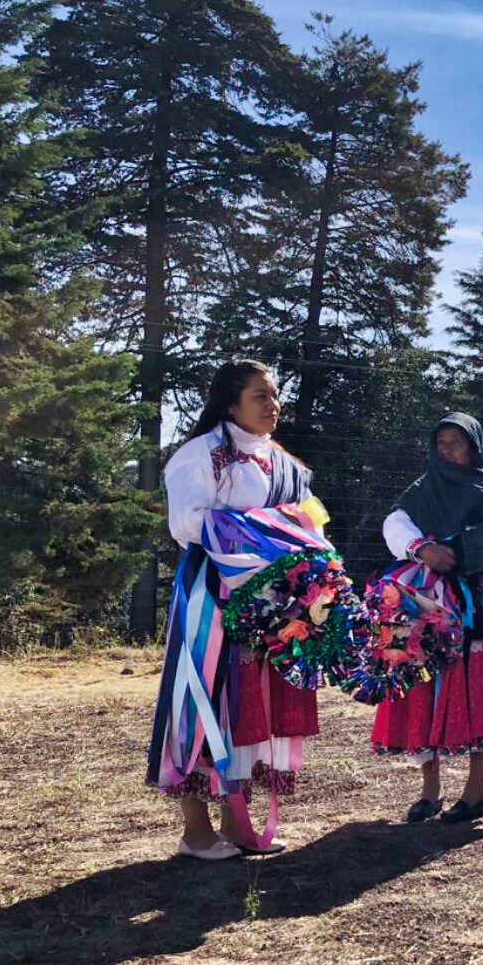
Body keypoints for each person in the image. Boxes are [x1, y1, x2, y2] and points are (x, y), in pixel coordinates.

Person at [145, 360, 317, 859]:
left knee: (247, 703)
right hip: (213, 595)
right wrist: (264, 533)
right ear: (229, 402)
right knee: (205, 699)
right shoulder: (200, 455)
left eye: (275, 395)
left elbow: (308, 520)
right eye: (260, 395)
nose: (273, 405)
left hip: (270, 601)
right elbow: (187, 522)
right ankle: (196, 832)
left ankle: (237, 825)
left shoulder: (284, 463)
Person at [371, 414, 483, 824]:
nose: (447, 450)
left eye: (455, 442)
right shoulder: (422, 490)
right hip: (423, 608)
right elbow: (395, 523)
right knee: (422, 690)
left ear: (474, 447)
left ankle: (476, 790)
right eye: (441, 442)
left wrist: (453, 551)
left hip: (479, 608)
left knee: (474, 693)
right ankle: (430, 790)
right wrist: (421, 549)